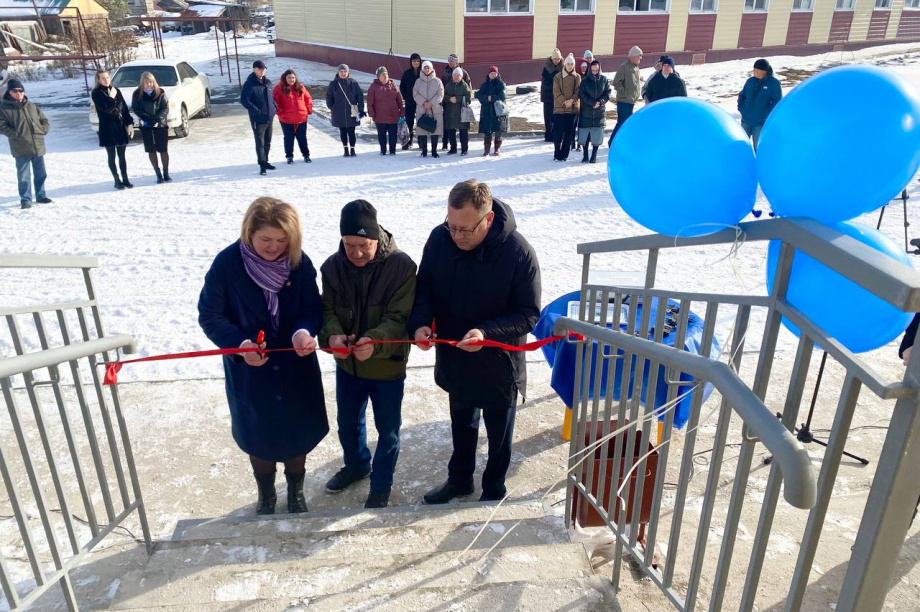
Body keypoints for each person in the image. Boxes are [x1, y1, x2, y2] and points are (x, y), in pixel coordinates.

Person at [409, 179, 541, 504]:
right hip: (456, 356)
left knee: (498, 435)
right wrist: (421, 323)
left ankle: (493, 490)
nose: (457, 236)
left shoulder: (519, 253)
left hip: (498, 364)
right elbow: (424, 288)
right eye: (451, 226)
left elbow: (528, 313)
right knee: (462, 424)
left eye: (465, 230)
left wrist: (486, 333)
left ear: (488, 219)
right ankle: (459, 480)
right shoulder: (440, 240)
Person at [198, 197, 328, 515]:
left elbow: (312, 308)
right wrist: (239, 344)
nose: (274, 247)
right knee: (259, 437)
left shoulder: (299, 263)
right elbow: (210, 315)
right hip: (251, 372)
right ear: (249, 232)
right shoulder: (227, 264)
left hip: (295, 369)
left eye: (282, 240)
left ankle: (296, 490)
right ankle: (266, 494)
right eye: (266, 239)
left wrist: (303, 331)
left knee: (297, 435)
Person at [318, 200, 417, 509]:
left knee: (387, 431)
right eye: (349, 245)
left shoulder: (402, 267)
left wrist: (375, 340)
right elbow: (327, 311)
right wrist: (332, 336)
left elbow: (399, 318)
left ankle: (381, 485)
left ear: (377, 237)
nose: (357, 253)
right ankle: (357, 464)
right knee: (347, 422)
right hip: (348, 366)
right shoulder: (332, 267)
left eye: (364, 245)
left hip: (387, 367)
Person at [0, 78, 52, 209]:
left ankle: (41, 195)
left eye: (21, 90)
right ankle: (26, 200)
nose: (19, 93)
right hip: (20, 147)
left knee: (41, 174)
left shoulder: (31, 106)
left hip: (37, 146)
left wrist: (43, 130)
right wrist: (16, 134)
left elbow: (44, 120)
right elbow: (1, 126)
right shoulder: (4, 108)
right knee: (24, 176)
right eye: (15, 91)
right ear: (9, 92)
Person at [92, 70, 135, 190]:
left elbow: (124, 109)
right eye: (103, 78)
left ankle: (125, 179)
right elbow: (107, 109)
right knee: (111, 156)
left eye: (107, 77)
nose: (106, 80)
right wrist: (111, 97)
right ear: (98, 80)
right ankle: (117, 180)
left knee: (122, 156)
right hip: (107, 128)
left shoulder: (116, 90)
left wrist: (129, 123)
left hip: (119, 128)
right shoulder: (96, 93)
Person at [132, 72, 171, 183]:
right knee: (151, 150)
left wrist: (157, 118)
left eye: (150, 82)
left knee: (163, 149)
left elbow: (165, 108)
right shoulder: (137, 94)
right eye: (146, 83)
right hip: (146, 125)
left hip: (160, 124)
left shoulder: (160, 92)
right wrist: (146, 117)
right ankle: (158, 174)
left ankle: (166, 173)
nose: (149, 84)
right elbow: (135, 108)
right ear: (142, 83)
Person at [738, 58, 782, 151]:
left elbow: (777, 102)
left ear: (764, 71)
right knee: (741, 147)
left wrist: (765, 114)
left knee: (758, 148)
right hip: (746, 121)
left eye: (757, 70)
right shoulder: (750, 81)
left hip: (760, 123)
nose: (754, 72)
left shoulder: (774, 84)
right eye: (754, 69)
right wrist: (742, 109)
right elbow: (742, 95)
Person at [241, 60, 276, 175]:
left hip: (269, 117)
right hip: (258, 119)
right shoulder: (250, 83)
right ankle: (262, 165)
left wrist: (274, 107)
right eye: (260, 69)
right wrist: (257, 111)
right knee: (260, 143)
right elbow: (244, 100)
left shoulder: (268, 83)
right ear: (254, 69)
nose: (262, 71)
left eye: (264, 69)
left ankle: (266, 161)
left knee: (268, 142)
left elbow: (272, 98)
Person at [273, 68, 313, 165]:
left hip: (301, 118)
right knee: (288, 138)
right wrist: (280, 112)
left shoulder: (300, 87)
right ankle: (289, 156)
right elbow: (274, 102)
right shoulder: (278, 88)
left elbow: (308, 99)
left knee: (302, 138)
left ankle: (306, 155)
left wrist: (308, 110)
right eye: (289, 78)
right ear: (285, 78)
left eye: (293, 78)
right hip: (286, 119)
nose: (291, 80)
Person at [326, 64, 365, 158]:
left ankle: (352, 149)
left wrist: (361, 110)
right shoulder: (333, 84)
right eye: (341, 72)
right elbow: (329, 97)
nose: (343, 73)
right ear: (338, 72)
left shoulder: (353, 83)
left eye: (345, 71)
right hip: (338, 112)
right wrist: (332, 107)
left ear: (348, 72)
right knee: (342, 131)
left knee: (351, 131)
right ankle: (345, 150)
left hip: (351, 112)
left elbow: (360, 97)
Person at [577, 60, 611, 164]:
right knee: (585, 134)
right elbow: (581, 94)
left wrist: (601, 102)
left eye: (596, 70)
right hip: (587, 110)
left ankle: (594, 155)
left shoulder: (604, 80)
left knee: (597, 134)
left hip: (599, 111)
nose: (595, 72)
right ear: (590, 70)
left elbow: (608, 93)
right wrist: (592, 103)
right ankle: (585, 155)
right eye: (593, 70)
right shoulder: (585, 81)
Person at [610, 45, 643, 146]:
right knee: (622, 122)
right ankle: (612, 142)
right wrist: (624, 93)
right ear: (633, 56)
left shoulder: (636, 68)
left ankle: (623, 142)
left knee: (628, 123)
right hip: (623, 101)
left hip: (631, 100)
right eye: (639, 56)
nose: (640, 58)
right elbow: (616, 82)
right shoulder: (624, 67)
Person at [368, 66, 404, 156]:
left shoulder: (393, 85)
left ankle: (392, 150)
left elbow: (399, 100)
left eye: (386, 74)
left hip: (393, 115)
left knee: (393, 135)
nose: (385, 76)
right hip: (380, 116)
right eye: (383, 74)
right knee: (382, 135)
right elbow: (370, 102)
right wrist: (372, 113)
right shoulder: (373, 87)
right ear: (378, 77)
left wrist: (402, 111)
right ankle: (383, 150)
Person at [413, 60, 444, 158]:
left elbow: (440, 94)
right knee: (422, 130)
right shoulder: (418, 82)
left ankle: (434, 151)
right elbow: (415, 94)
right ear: (422, 69)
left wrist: (431, 103)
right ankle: (424, 150)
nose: (426, 69)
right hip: (422, 109)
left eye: (428, 68)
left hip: (434, 109)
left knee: (435, 130)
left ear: (431, 69)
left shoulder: (438, 81)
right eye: (425, 68)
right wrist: (423, 102)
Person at [552, 53, 580, 162]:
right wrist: (564, 101)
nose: (570, 66)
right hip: (560, 109)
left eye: (572, 64)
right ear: (565, 64)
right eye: (568, 64)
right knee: (558, 133)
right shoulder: (558, 77)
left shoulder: (577, 77)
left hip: (572, 109)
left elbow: (578, 91)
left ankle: (565, 155)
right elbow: (556, 92)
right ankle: (557, 154)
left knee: (569, 134)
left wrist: (572, 100)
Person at [440, 54, 471, 151]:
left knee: (462, 129)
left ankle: (464, 148)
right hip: (449, 105)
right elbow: (442, 90)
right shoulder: (445, 73)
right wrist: (447, 99)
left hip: (461, 106)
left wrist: (462, 100)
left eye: (452, 60)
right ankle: (446, 144)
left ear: (456, 62)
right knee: (448, 127)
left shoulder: (463, 73)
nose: (450, 62)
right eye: (449, 60)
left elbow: (468, 90)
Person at [476, 66, 506, 157]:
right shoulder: (484, 85)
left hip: (498, 111)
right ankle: (487, 149)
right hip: (487, 110)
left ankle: (497, 148)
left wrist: (491, 98)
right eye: (491, 73)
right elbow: (479, 96)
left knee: (498, 130)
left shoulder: (501, 84)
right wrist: (486, 98)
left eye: (495, 73)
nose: (493, 75)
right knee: (487, 131)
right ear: (488, 74)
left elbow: (502, 96)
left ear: (497, 74)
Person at [399, 53, 423, 150]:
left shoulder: (423, 73)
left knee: (421, 123)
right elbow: (402, 87)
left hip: (421, 103)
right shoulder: (407, 73)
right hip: (410, 102)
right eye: (414, 61)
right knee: (409, 123)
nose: (416, 63)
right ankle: (408, 142)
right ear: (411, 62)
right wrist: (406, 97)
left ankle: (421, 142)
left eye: (417, 61)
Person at [541, 48, 563, 143]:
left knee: (557, 116)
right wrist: (555, 87)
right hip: (548, 95)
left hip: (558, 96)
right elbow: (544, 82)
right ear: (552, 58)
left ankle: (556, 134)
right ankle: (548, 135)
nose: (556, 61)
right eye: (555, 59)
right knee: (548, 116)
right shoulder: (546, 67)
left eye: (558, 59)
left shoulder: (563, 67)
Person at [574, 60, 590, 152]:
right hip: (577, 103)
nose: (584, 69)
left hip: (585, 104)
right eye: (582, 67)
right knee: (575, 124)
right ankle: (573, 143)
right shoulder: (577, 76)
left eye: (585, 67)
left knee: (582, 125)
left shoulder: (588, 77)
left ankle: (580, 143)